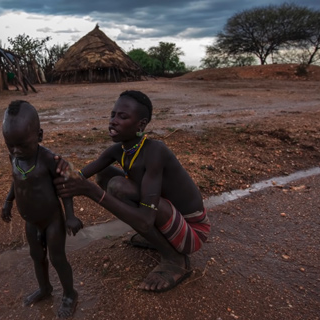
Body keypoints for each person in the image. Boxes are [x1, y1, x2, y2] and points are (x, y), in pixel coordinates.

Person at [54, 90, 210, 292]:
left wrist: (92, 191)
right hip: (169, 218)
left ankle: (174, 259)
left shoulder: (155, 151)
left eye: (123, 116)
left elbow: (145, 219)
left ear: (141, 125)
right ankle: (159, 239)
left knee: (118, 186)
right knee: (105, 176)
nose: (113, 121)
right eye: (112, 115)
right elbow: (81, 176)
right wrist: (59, 171)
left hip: (192, 232)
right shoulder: (118, 150)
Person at [1, 100, 83, 318]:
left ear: (39, 136)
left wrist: (71, 216)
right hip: (31, 221)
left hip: (52, 220)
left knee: (57, 258)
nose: (16, 150)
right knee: (36, 255)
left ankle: (69, 294)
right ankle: (45, 289)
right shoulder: (16, 157)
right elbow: (16, 180)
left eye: (22, 145)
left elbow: (65, 186)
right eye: (11, 145)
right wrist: (8, 201)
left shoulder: (48, 159)